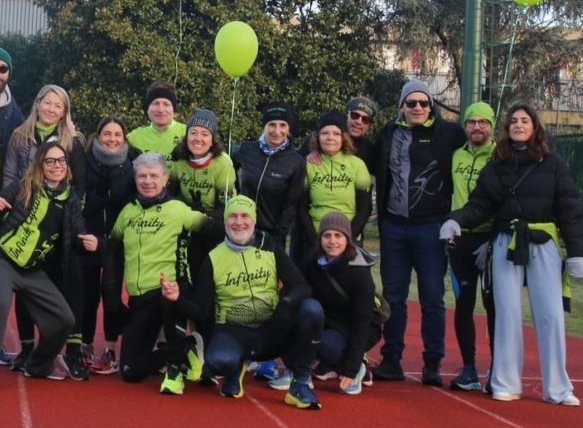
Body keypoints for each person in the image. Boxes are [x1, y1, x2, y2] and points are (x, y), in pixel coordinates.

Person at [441, 103, 583, 406]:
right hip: (505, 242)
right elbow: (480, 204)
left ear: (535, 127)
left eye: (525, 120)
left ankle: (558, 388)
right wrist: (456, 220)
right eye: (514, 121)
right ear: (507, 128)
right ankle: (506, 382)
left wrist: (576, 253)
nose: (519, 125)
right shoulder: (497, 164)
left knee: (550, 315)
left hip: (543, 242)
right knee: (506, 312)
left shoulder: (553, 163)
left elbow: (569, 209)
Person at [164, 195, 325, 410]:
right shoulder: (213, 258)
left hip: (273, 330)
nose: (238, 222)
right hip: (235, 332)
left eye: (244, 216)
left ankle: (300, 382)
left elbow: (302, 287)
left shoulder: (269, 247)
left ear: (254, 220)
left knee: (312, 310)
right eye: (232, 216)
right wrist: (177, 298)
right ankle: (235, 369)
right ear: (225, 221)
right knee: (219, 360)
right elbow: (201, 311)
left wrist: (285, 305)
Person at [0, 143, 97, 391]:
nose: (57, 166)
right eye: (50, 161)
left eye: (61, 161)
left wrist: (91, 242)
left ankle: (38, 365)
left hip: (33, 270)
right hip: (1, 259)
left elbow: (77, 235)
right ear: (40, 165)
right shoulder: (24, 186)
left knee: (64, 319)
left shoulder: (71, 199)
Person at [373, 80, 464, 385]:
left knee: (433, 297)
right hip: (394, 228)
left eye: (424, 103)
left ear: (431, 106)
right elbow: (359, 151)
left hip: (431, 228)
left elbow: (479, 144)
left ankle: (433, 363)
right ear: (402, 106)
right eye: (411, 103)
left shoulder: (449, 133)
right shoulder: (388, 134)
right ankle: (392, 359)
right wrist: (311, 149)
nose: (418, 108)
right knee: (393, 297)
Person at [103, 152, 207, 394]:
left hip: (168, 293)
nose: (147, 181)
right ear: (135, 179)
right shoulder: (128, 212)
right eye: (142, 176)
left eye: (153, 176)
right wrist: (110, 292)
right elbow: (111, 246)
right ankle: (186, 348)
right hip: (140, 301)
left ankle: (174, 370)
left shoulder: (178, 209)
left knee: (171, 301)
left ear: (165, 179)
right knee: (130, 372)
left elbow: (215, 228)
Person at [0, 84, 87, 370]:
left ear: (64, 112)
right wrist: (14, 210)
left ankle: (72, 351)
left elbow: (79, 185)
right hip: (26, 220)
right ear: (37, 104)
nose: (51, 109)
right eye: (47, 102)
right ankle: (26, 349)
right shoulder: (19, 136)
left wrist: (71, 218)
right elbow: (9, 175)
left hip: (60, 223)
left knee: (68, 283)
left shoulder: (73, 141)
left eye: (58, 105)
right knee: (24, 282)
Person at [291, 211, 381, 396]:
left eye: (338, 235)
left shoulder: (359, 273)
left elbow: (362, 322)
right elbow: (295, 283)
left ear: (347, 239)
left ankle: (357, 367)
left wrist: (351, 368)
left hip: (356, 326)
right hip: (329, 321)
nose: (332, 241)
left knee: (327, 347)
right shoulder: (313, 262)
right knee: (293, 318)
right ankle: (305, 370)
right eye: (327, 235)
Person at [80, 116, 138, 375]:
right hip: (88, 239)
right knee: (88, 297)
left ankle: (111, 349)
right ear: (98, 135)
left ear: (124, 139)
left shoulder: (132, 165)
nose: (112, 139)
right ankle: (85, 345)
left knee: (112, 297)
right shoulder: (85, 161)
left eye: (117, 134)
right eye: (107, 133)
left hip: (117, 242)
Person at [447, 101, 497, 392]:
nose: (477, 127)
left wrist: (494, 238)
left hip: (490, 239)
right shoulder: (456, 155)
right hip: (460, 239)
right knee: (463, 305)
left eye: (483, 122)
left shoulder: (501, 156)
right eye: (471, 122)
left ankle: (498, 368)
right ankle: (469, 368)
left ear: (492, 126)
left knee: (493, 306)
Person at [169, 109, 234, 285]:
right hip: (186, 222)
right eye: (193, 133)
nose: (198, 138)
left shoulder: (223, 162)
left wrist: (200, 214)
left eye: (205, 134)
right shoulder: (178, 156)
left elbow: (226, 207)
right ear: (186, 136)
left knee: (211, 276)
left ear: (212, 139)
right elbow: (171, 194)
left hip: (215, 223)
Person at [296, 110, 371, 263]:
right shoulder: (307, 165)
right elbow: (301, 207)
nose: (330, 137)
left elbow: (365, 208)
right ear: (318, 137)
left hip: (349, 240)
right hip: (315, 240)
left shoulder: (357, 165)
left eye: (336, 134)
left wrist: (347, 239)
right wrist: (315, 240)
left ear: (344, 137)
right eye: (325, 133)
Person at [234, 101, 305, 253]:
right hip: (240, 229)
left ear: (288, 128)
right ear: (264, 126)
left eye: (283, 125)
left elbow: (290, 206)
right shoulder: (247, 149)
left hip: (271, 237)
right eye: (272, 124)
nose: (277, 131)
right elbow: (227, 169)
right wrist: (234, 196)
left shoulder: (296, 162)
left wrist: (275, 240)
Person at [127, 81, 186, 156]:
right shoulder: (134, 138)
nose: (160, 110)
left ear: (173, 109)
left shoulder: (187, 134)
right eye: (155, 103)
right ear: (148, 109)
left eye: (166, 104)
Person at [344, 96, 379, 171]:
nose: (359, 122)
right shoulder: (328, 139)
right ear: (346, 115)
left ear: (369, 125)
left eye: (365, 119)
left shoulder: (370, 151)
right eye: (355, 115)